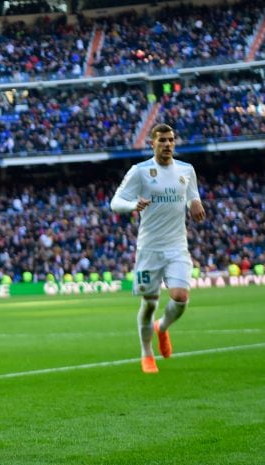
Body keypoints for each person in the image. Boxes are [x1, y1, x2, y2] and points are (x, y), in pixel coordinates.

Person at [110, 123, 206, 374]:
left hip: (177, 246)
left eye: (171, 140)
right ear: (152, 143)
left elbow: (192, 195)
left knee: (181, 297)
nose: (167, 144)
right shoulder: (140, 172)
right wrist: (132, 205)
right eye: (162, 140)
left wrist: (195, 203)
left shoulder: (187, 170)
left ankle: (161, 327)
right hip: (149, 249)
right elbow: (115, 202)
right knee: (150, 303)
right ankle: (146, 353)